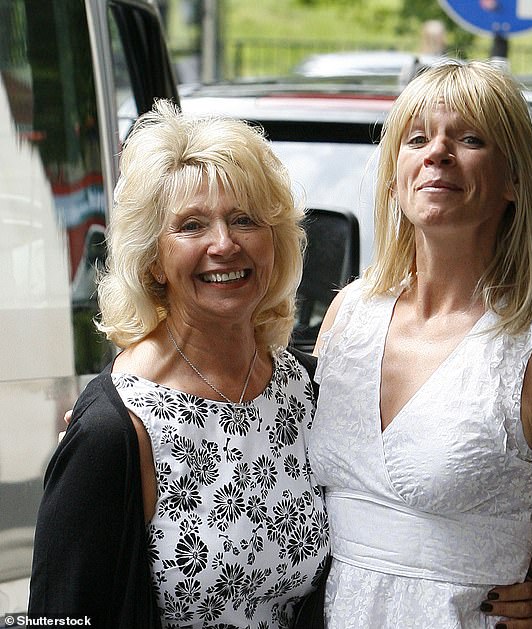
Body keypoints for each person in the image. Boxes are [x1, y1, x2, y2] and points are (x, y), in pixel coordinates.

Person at [309, 60, 532, 628]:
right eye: (417, 138)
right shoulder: (346, 315)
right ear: (394, 176)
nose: (438, 153)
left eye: (470, 139)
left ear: (514, 180)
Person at [28, 100, 329, 628]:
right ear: (153, 260)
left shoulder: (306, 393)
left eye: (244, 220)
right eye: (192, 225)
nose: (224, 243)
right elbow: (59, 616)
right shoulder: (113, 430)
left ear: (274, 244)